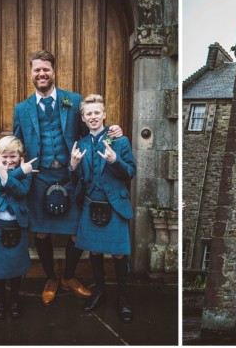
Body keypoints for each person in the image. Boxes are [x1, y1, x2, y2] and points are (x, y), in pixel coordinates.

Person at [0, 50, 122, 305]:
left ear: (53, 72)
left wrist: (113, 133)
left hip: (70, 177)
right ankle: (50, 278)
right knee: (40, 234)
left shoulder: (72, 101)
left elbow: (90, 132)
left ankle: (69, 277)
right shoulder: (22, 109)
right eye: (37, 70)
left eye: (45, 69)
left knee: (75, 232)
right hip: (38, 179)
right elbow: (16, 143)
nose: (41, 73)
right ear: (30, 74)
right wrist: (0, 161)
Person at [69, 94, 136, 323]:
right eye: (89, 114)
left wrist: (115, 160)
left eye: (97, 112)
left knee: (118, 253)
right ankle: (99, 290)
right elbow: (78, 178)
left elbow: (130, 172)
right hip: (90, 203)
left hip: (114, 204)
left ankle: (124, 297)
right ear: (83, 118)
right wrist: (73, 166)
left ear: (104, 114)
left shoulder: (120, 141)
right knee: (95, 251)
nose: (93, 117)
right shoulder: (81, 144)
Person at [0, 136, 38, 319]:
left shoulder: (27, 172)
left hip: (17, 224)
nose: (8, 160)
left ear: (20, 156)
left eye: (13, 156)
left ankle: (14, 298)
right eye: (4, 157)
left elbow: (21, 191)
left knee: (16, 266)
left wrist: (12, 174)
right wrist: (20, 171)